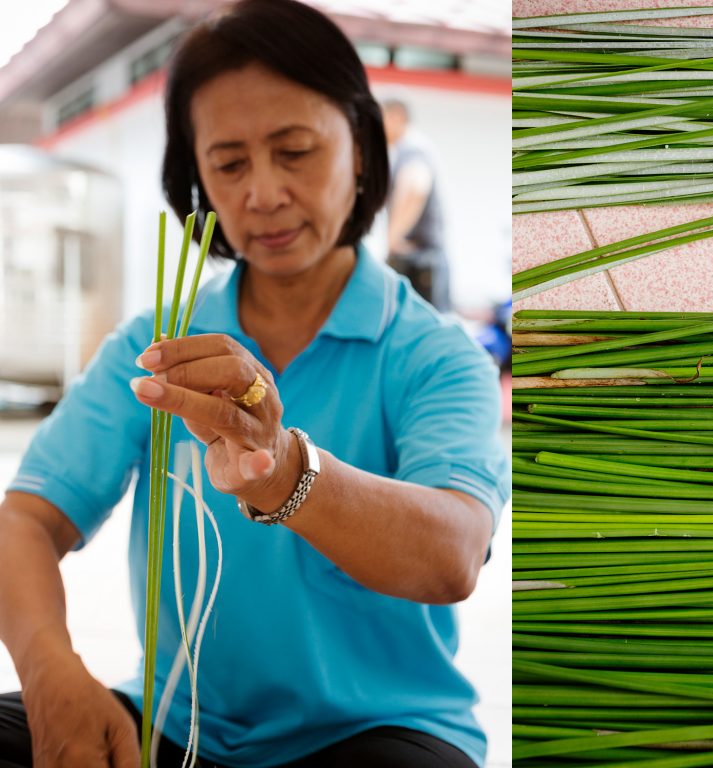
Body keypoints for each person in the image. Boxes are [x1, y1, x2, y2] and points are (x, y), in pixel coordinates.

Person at [0, 1, 508, 766]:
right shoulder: (155, 346)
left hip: (376, 733)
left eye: (295, 150)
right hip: (173, 721)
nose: (262, 193)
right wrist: (48, 671)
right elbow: (25, 521)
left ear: (362, 150)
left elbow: (453, 555)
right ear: (197, 177)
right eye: (229, 163)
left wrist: (286, 472)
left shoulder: (434, 355)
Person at [381, 99, 451, 313]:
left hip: (421, 263)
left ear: (397, 117)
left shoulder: (412, 149)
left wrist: (392, 239)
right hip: (423, 262)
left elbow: (416, 188)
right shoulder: (410, 148)